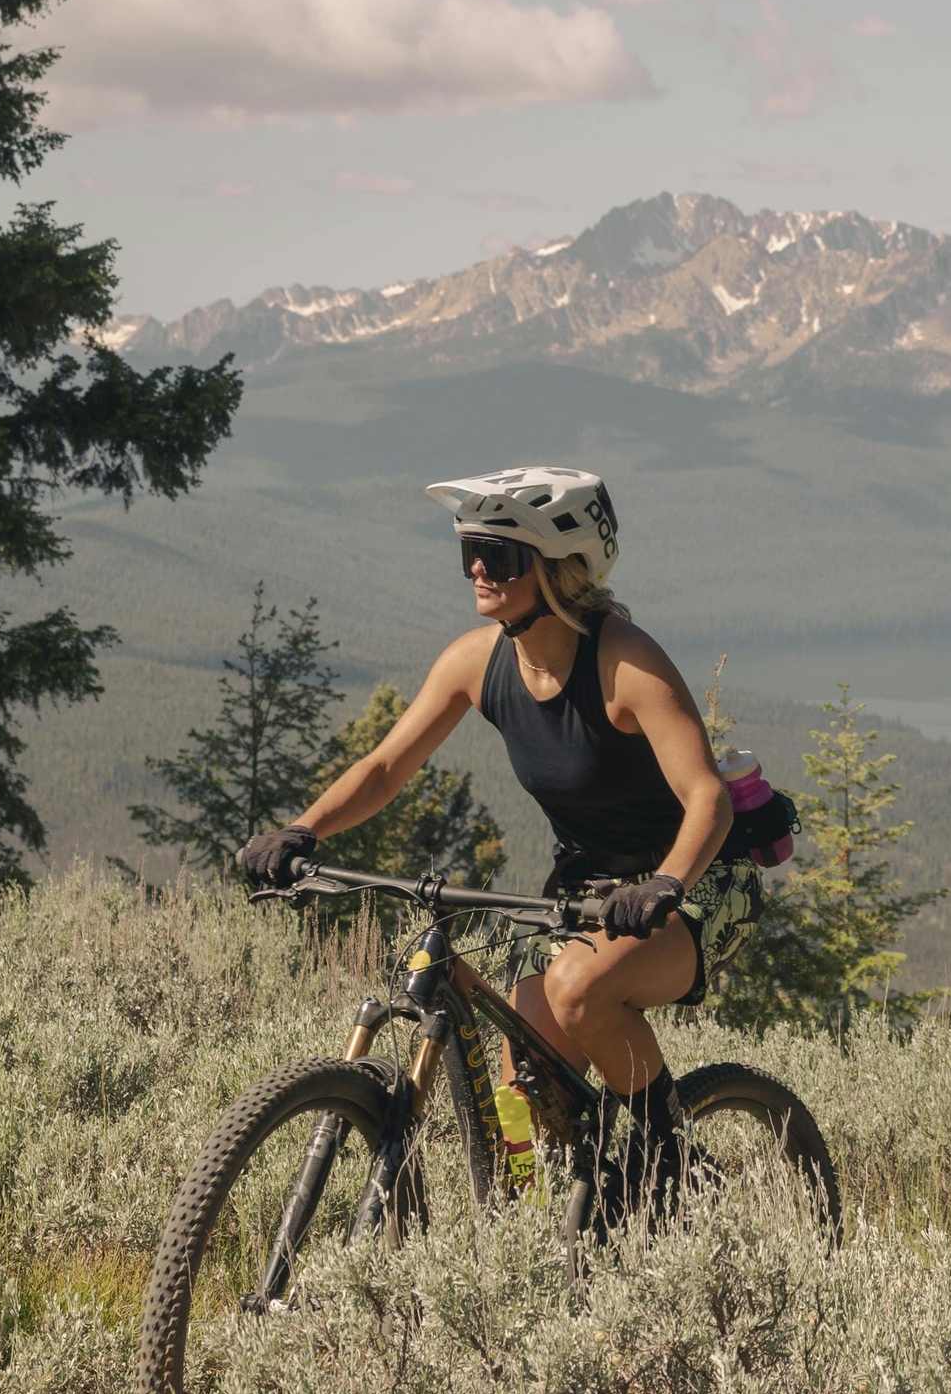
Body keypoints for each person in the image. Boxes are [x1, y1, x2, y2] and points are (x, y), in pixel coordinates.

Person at [235, 464, 761, 1202]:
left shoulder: (624, 661)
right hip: (587, 891)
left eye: (500, 554)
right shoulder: (476, 662)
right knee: (529, 1082)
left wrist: (666, 885)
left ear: (560, 570)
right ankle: (576, 1222)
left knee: (579, 991)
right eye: (469, 551)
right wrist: (301, 831)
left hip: (695, 880)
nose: (478, 568)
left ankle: (674, 1164)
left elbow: (708, 796)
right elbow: (386, 766)